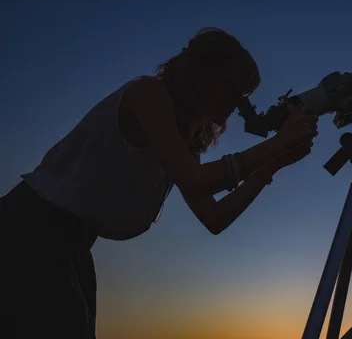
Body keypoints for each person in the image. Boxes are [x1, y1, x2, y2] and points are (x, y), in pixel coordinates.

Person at [0, 27, 319, 338]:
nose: (238, 104)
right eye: (235, 89)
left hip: (74, 246)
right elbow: (195, 181)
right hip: (30, 231)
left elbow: (214, 218)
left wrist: (272, 164)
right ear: (207, 75)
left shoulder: (182, 139)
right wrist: (277, 143)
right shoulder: (147, 95)